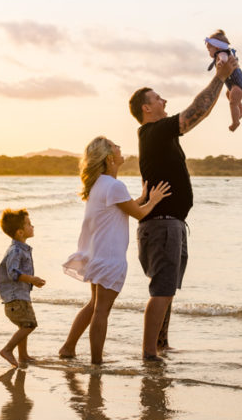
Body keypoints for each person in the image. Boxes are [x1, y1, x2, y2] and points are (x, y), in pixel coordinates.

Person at [128, 53, 239, 361]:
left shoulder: (157, 136)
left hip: (170, 222)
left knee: (167, 290)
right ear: (146, 108)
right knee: (162, 290)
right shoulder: (156, 130)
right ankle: (149, 353)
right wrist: (220, 77)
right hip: (162, 224)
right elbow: (195, 113)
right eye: (157, 97)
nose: (164, 100)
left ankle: (161, 345)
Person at [59, 136, 171, 364]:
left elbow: (124, 207)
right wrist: (155, 200)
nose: (120, 147)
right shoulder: (114, 186)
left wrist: (141, 198)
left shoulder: (99, 184)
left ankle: (68, 348)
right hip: (110, 256)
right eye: (115, 146)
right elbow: (139, 213)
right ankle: (96, 363)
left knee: (93, 306)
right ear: (110, 158)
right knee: (101, 310)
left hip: (97, 254)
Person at [0, 208, 46, 367]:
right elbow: (13, 273)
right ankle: (7, 349)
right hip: (16, 298)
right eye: (29, 224)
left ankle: (23, 356)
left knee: (23, 325)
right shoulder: (16, 250)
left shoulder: (21, 249)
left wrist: (31, 282)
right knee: (30, 325)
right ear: (19, 232)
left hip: (20, 296)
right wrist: (32, 278)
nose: (33, 226)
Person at [205, 29, 242, 131]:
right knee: (229, 94)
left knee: (232, 102)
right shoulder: (221, 53)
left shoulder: (222, 53)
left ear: (216, 47)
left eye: (209, 50)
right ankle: (241, 108)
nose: (209, 52)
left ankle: (235, 122)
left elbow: (224, 58)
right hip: (233, 85)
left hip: (238, 83)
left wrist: (221, 62)